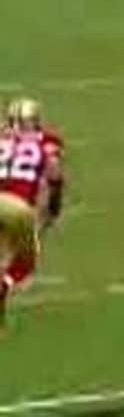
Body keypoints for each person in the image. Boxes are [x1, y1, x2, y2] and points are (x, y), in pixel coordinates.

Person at [0, 99, 66, 324]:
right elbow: (55, 174)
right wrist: (54, 207)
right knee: (26, 261)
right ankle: (4, 283)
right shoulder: (46, 140)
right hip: (18, 206)